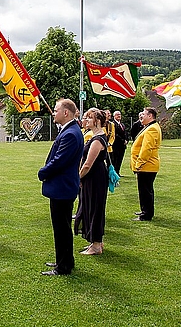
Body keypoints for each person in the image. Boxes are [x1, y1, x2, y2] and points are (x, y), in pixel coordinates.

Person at [37, 99, 83, 275]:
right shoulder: (70, 130)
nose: (53, 113)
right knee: (61, 227)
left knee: (62, 228)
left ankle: (63, 266)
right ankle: (63, 260)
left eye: (56, 110)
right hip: (63, 187)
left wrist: (43, 172)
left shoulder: (71, 134)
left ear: (66, 113)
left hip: (62, 187)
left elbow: (59, 161)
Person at [74, 108, 109, 256]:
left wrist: (78, 178)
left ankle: (95, 244)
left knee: (94, 208)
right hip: (94, 176)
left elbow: (88, 164)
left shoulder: (97, 139)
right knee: (92, 207)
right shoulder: (97, 136)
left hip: (95, 177)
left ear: (98, 121)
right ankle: (96, 243)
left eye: (89, 118)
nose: (86, 120)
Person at [130, 107, 162, 221]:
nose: (141, 116)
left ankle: (146, 214)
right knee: (145, 190)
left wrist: (139, 164)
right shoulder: (150, 127)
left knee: (145, 191)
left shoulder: (152, 129)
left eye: (143, 114)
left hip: (147, 166)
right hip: (147, 165)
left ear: (150, 116)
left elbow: (146, 149)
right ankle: (145, 210)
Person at [112, 110, 128, 175]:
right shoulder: (113, 124)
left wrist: (126, 140)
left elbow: (125, 133)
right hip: (116, 145)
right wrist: (122, 140)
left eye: (120, 114)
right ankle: (114, 172)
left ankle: (118, 172)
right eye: (117, 114)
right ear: (114, 116)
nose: (119, 116)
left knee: (120, 159)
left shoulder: (122, 124)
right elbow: (115, 134)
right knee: (115, 159)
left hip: (122, 146)